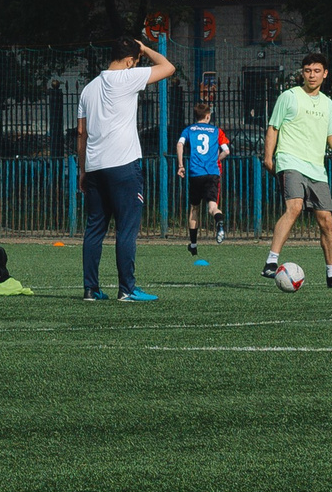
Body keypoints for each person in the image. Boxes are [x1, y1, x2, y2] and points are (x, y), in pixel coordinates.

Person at [78, 38, 173, 301]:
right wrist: (144, 49)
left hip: (95, 166)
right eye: (136, 59)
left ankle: (90, 288)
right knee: (126, 228)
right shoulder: (128, 77)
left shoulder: (88, 89)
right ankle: (127, 289)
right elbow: (168, 67)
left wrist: (82, 170)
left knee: (95, 228)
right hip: (123, 165)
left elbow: (81, 133)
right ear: (130, 60)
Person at [263, 54, 332, 288]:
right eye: (308, 70)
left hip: (316, 168)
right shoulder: (289, 96)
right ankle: (271, 262)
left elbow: (331, 138)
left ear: (325, 73)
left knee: (327, 222)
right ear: (303, 73)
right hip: (290, 159)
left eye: (316, 70)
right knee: (295, 206)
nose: (312, 75)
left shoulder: (326, 103)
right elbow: (273, 127)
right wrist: (268, 157)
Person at [175, 104, 227, 251]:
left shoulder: (189, 130)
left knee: (194, 208)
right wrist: (217, 159)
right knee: (213, 207)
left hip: (196, 174)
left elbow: (180, 145)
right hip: (212, 173)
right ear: (208, 116)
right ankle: (219, 222)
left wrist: (180, 166)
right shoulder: (216, 131)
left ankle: (193, 244)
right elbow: (227, 151)